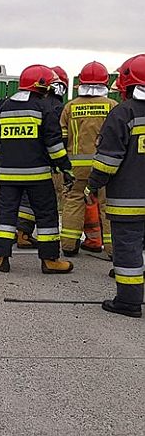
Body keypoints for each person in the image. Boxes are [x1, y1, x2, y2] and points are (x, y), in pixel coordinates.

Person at [0, 64, 75, 274]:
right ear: (43, 86)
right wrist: (65, 167)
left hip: (8, 175)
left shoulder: (4, 108)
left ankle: (1, 258)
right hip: (38, 175)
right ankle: (50, 260)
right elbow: (53, 144)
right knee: (46, 215)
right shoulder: (44, 108)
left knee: (7, 215)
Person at [86, 55, 145, 318]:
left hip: (129, 202)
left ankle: (129, 302)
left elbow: (108, 161)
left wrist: (92, 186)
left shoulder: (123, 113)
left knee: (128, 250)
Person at [58, 61, 116, 256]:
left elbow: (62, 138)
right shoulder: (113, 107)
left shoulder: (70, 107)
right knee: (108, 205)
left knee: (74, 201)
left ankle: (69, 245)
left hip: (76, 167)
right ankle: (113, 250)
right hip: (105, 166)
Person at [15, 66, 69, 247]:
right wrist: (63, 164)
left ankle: (21, 232)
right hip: (44, 160)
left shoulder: (32, 103)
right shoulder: (57, 107)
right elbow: (56, 139)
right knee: (42, 201)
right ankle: (30, 237)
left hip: (22, 157)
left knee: (23, 197)